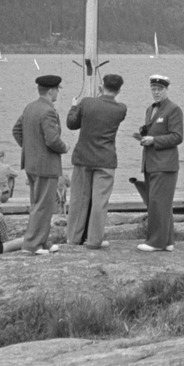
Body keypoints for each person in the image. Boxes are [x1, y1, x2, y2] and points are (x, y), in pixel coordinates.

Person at [65, 73, 128, 250]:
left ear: (102, 86)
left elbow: (72, 124)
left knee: (78, 199)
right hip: (105, 159)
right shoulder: (121, 109)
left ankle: (73, 238)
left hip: (83, 157)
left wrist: (73, 107)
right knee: (100, 202)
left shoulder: (86, 103)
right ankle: (94, 240)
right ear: (119, 90)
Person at [12, 74, 68, 255]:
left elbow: (16, 130)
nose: (58, 93)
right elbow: (52, 140)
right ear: (51, 91)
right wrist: (65, 147)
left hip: (31, 163)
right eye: (57, 89)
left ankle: (43, 241)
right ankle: (32, 244)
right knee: (43, 205)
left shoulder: (30, 107)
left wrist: (29, 149)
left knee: (38, 203)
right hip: (45, 165)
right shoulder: (48, 111)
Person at [135, 75, 184, 252]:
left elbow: (177, 136)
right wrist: (145, 136)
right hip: (151, 163)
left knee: (158, 202)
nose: (156, 92)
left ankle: (156, 242)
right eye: (153, 89)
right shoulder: (150, 109)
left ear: (166, 90)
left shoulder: (174, 109)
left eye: (159, 89)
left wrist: (154, 140)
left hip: (165, 164)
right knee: (158, 202)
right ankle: (168, 240)